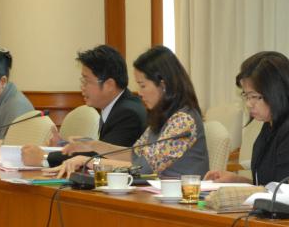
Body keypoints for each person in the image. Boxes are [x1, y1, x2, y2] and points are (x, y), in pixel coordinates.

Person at [49, 46, 209, 178]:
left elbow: (143, 168)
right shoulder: (163, 115)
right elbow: (135, 155)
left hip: (185, 200)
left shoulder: (183, 120)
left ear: (163, 85)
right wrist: (93, 145)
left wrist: (89, 161)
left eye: (143, 85)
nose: (139, 92)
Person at [205, 51, 289, 185]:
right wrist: (236, 180)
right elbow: (268, 184)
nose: (248, 104)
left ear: (275, 92)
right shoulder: (271, 124)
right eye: (246, 96)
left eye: (254, 96)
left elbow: (283, 191)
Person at [21, 45, 146, 167]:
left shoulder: (128, 114)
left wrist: (45, 158)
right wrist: (64, 147)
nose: (82, 87)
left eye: (86, 81)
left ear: (109, 85)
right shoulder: (117, 106)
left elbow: (100, 158)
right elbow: (97, 150)